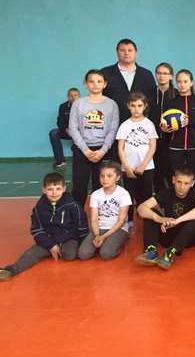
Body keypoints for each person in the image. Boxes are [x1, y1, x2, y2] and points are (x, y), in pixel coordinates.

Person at [0, 173, 87, 281]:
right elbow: (36, 230)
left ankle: (57, 251)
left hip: (68, 239)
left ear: (64, 189)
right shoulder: (39, 208)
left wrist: (81, 242)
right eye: (50, 189)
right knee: (30, 254)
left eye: (58, 189)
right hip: (48, 240)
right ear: (44, 190)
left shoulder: (72, 205)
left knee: (70, 255)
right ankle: (10, 270)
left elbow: (82, 224)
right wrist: (51, 245)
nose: (54, 192)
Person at [135, 165, 195, 269]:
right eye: (179, 182)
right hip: (168, 234)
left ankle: (171, 252)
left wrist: (177, 221)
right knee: (151, 212)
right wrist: (159, 219)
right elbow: (141, 207)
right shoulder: (166, 192)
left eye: (186, 183)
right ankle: (151, 252)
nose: (182, 187)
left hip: (187, 239)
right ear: (173, 180)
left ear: (192, 183)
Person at [69, 69, 119, 206]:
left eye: (99, 81)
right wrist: (85, 150)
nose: (95, 84)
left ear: (105, 84)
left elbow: (113, 130)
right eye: (91, 81)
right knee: (79, 187)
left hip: (103, 151)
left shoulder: (112, 104)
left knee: (102, 187)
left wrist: (103, 150)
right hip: (83, 151)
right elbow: (73, 128)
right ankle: (77, 216)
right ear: (85, 84)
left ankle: (102, 216)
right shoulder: (78, 103)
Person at [116, 91, 157, 235]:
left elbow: (153, 146)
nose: (136, 109)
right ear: (128, 106)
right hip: (128, 168)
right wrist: (126, 166)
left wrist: (143, 165)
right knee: (129, 196)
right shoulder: (124, 126)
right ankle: (129, 223)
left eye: (139, 106)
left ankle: (148, 224)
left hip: (146, 168)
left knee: (146, 196)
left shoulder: (149, 124)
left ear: (144, 106)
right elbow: (120, 148)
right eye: (133, 106)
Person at [161, 69, 195, 179]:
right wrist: (164, 128)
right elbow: (165, 123)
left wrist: (189, 122)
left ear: (191, 82)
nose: (182, 85)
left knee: (193, 177)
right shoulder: (171, 102)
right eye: (179, 82)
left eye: (185, 81)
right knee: (175, 177)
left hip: (194, 147)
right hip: (175, 147)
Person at [78, 162, 131, 260]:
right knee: (83, 254)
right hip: (100, 228)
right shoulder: (95, 194)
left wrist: (104, 236)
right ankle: (102, 244)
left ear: (117, 178)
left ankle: (117, 241)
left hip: (118, 228)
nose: (105, 179)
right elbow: (94, 219)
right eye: (102, 176)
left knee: (106, 254)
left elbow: (121, 220)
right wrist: (97, 235)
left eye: (109, 176)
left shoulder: (123, 194)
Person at [102, 38, 156, 123]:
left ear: (136, 53)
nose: (126, 53)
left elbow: (152, 101)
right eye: (122, 50)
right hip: (112, 123)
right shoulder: (105, 73)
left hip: (140, 125)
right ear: (117, 53)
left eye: (130, 50)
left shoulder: (146, 74)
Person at [148, 62, 178, 191]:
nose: (161, 76)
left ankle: (174, 200)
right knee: (157, 174)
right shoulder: (149, 94)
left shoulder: (177, 94)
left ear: (171, 76)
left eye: (165, 73)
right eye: (159, 73)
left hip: (171, 140)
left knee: (171, 172)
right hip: (153, 140)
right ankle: (160, 201)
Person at [49, 87, 80, 168]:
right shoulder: (63, 106)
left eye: (75, 95)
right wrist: (66, 130)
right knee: (53, 133)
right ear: (68, 97)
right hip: (68, 131)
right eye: (71, 96)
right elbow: (60, 122)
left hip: (81, 132)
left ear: (79, 96)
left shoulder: (86, 106)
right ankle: (60, 160)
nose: (73, 97)